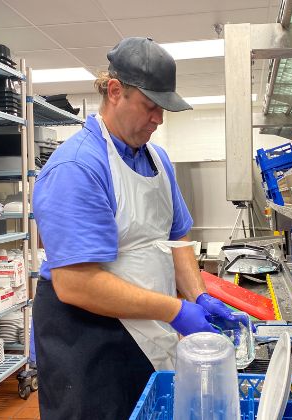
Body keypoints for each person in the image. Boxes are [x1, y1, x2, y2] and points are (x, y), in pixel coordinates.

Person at [32, 37, 240, 420]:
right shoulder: (78, 167)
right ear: (115, 92)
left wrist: (197, 297)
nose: (159, 119)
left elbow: (176, 238)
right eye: (150, 106)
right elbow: (76, 283)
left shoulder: (158, 160)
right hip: (88, 337)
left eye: (163, 108)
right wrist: (175, 310)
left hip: (147, 327)